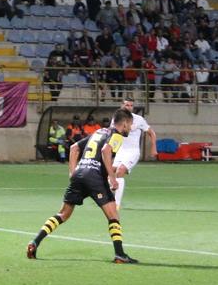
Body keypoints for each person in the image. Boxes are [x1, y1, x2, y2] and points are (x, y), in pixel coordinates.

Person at [27, 109, 137, 264]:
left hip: (80, 174)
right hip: (95, 177)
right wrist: (112, 178)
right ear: (124, 123)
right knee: (113, 216)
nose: (130, 128)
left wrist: (73, 173)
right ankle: (120, 254)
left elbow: (74, 148)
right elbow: (106, 151)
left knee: (63, 215)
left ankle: (35, 242)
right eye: (130, 125)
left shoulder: (99, 132)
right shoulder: (117, 135)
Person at [111, 98, 155, 209]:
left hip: (132, 152)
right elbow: (112, 134)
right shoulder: (116, 119)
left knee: (120, 171)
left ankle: (116, 204)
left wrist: (154, 147)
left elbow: (151, 132)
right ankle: (111, 195)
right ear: (122, 106)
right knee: (110, 172)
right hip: (120, 151)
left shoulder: (138, 119)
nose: (129, 107)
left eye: (131, 105)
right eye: (127, 105)